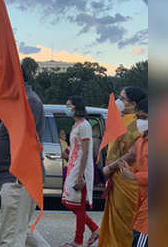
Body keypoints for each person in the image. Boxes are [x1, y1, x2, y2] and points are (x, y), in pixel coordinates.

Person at [0, 68, 50, 247]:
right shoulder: (18, 101)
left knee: (10, 238)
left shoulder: (28, 101)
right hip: (13, 177)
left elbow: (22, 137)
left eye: (0, 79)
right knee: (22, 231)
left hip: (18, 178)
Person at [98, 87, 146, 247]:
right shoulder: (122, 120)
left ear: (133, 104)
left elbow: (132, 154)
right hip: (119, 179)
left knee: (126, 222)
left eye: (122, 98)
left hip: (129, 179)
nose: (118, 101)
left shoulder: (138, 122)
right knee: (117, 224)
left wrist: (110, 167)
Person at [61, 95, 99, 247]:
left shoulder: (84, 125)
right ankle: (95, 229)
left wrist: (81, 175)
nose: (67, 108)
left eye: (69, 105)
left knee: (78, 205)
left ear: (77, 107)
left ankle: (78, 240)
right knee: (71, 203)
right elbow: (76, 150)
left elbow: (85, 152)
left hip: (79, 170)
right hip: (73, 167)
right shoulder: (75, 125)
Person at [118, 98, 148, 247]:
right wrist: (128, 170)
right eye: (138, 117)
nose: (139, 122)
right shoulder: (141, 141)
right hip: (142, 200)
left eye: (144, 118)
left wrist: (134, 176)